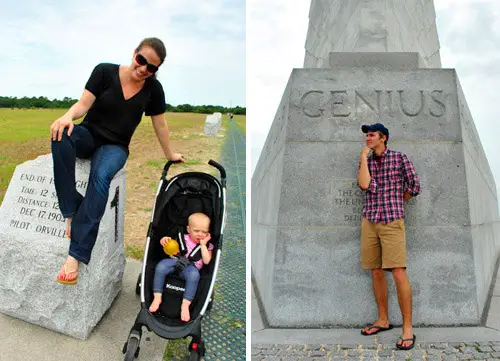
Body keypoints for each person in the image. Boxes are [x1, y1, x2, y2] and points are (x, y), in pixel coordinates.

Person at [51, 37, 184, 285]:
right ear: (134, 53)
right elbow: (82, 104)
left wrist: (170, 154)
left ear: (156, 70)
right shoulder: (104, 71)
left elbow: (160, 123)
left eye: (152, 67)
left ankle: (75, 254)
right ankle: (71, 210)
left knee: (101, 177)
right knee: (60, 135)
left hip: (115, 147)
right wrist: (67, 117)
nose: (144, 68)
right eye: (141, 60)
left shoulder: (154, 90)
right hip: (88, 135)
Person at [357, 123, 421, 350]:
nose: (367, 138)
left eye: (371, 135)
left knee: (398, 271)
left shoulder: (399, 158)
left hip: (392, 221)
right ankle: (383, 320)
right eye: (366, 135)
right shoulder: (367, 161)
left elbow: (414, 186)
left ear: (383, 137)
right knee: (376, 271)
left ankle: (408, 328)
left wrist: (396, 202)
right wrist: (364, 157)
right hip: (370, 221)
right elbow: (364, 184)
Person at [149, 213, 213, 322]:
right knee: (161, 266)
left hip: (191, 268)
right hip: (175, 261)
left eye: (204, 232)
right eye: (196, 231)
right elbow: (170, 247)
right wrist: (164, 240)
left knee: (194, 276)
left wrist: (203, 245)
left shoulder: (207, 245)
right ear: (188, 229)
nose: (200, 234)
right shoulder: (182, 237)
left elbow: (206, 261)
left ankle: (185, 305)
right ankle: (157, 297)